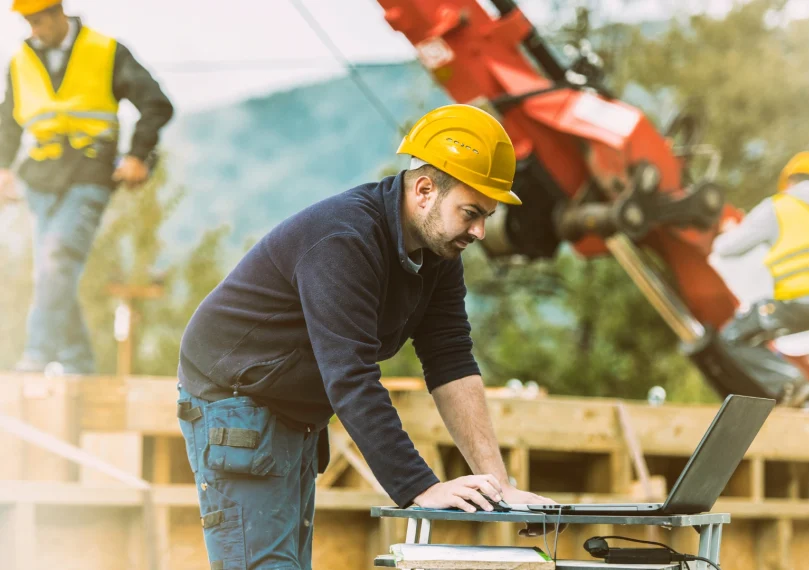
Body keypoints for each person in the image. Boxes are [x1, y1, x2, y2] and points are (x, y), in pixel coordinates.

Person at [176, 104, 561, 569]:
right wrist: (420, 487)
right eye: (471, 212)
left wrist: (498, 486)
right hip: (236, 398)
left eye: (486, 215)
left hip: (290, 402)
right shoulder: (344, 240)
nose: (479, 231)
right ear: (424, 190)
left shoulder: (438, 253)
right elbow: (351, 377)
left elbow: (451, 361)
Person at [0, 0, 174, 374]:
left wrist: (137, 154)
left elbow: (156, 104)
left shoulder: (106, 51)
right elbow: (9, 123)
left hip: (90, 173)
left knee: (57, 258)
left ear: (59, 11)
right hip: (41, 179)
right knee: (53, 271)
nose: (34, 29)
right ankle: (78, 361)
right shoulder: (20, 62)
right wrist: (1, 168)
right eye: (27, 21)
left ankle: (36, 353)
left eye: (38, 19)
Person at [713, 151, 809, 409]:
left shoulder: (778, 206)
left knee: (731, 337)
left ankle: (792, 383)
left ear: (789, 182)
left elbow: (727, 249)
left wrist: (728, 231)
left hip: (799, 301)